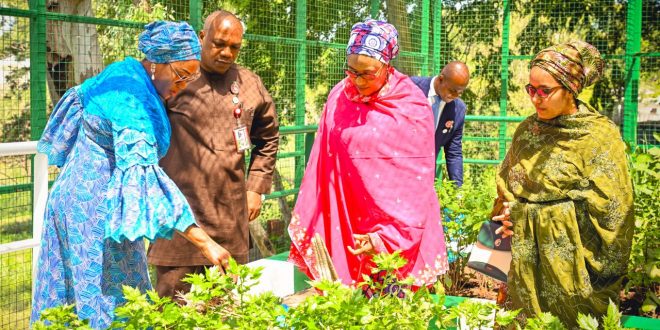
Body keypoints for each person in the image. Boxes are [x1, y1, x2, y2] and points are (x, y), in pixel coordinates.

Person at [30, 21, 228, 329]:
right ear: (156, 63)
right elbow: (144, 181)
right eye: (180, 75)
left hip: (75, 199)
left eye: (191, 76)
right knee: (108, 300)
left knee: (76, 299)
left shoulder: (123, 72)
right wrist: (205, 243)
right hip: (93, 213)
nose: (184, 84)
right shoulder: (131, 100)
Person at [288, 19, 448, 288]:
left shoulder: (411, 106)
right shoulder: (338, 96)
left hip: (394, 233)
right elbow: (325, 162)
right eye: (351, 71)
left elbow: (415, 182)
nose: (358, 80)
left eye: (368, 73)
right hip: (344, 219)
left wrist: (384, 237)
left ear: (387, 66)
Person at [492, 41, 634, 326]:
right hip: (521, 272)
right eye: (531, 89)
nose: (535, 99)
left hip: (574, 280)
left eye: (545, 91)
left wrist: (526, 218)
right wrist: (495, 259)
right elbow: (503, 193)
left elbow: (614, 213)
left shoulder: (597, 137)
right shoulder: (526, 131)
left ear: (570, 89)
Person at [147, 10, 279, 299]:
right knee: (173, 309)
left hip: (229, 217)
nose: (226, 53)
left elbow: (268, 138)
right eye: (218, 43)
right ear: (202, 37)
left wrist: (255, 187)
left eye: (234, 47)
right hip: (181, 220)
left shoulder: (249, 83)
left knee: (225, 309)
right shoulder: (178, 76)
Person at [411, 61, 469, 186]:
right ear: (441, 79)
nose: (455, 96)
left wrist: (458, 190)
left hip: (425, 177)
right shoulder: (411, 87)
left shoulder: (458, 110)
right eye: (453, 90)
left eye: (460, 92)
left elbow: (454, 152)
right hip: (396, 170)